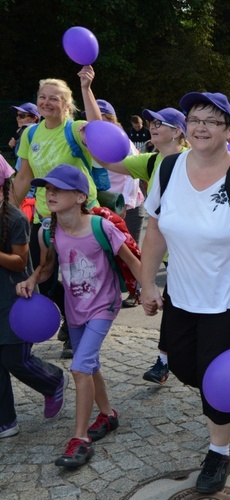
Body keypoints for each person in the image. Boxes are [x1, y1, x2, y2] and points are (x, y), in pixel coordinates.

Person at [139, 91, 230, 494]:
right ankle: (224, 399)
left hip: (229, 302)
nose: (201, 127)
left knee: (218, 382)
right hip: (181, 296)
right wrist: (147, 283)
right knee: (183, 366)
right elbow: (155, 230)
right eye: (194, 119)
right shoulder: (167, 169)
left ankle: (219, 450)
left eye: (212, 121)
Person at [16, 164, 141, 468]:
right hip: (75, 309)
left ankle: (80, 438)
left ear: (81, 196)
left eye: (58, 189)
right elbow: (47, 267)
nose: (51, 193)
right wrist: (32, 280)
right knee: (90, 364)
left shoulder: (101, 227)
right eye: (47, 188)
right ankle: (108, 415)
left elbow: (133, 260)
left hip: (103, 305)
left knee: (80, 367)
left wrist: (149, 291)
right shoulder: (49, 230)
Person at [92, 106, 188, 384]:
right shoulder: (149, 161)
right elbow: (106, 160)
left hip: (191, 246)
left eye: (160, 123)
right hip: (165, 244)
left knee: (178, 305)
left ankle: (172, 359)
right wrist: (94, 131)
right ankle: (164, 361)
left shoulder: (194, 160)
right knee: (173, 304)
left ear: (177, 131)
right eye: (150, 122)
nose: (152, 126)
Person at [12, 67, 103, 360]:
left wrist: (87, 87)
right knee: (46, 279)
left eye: (54, 99)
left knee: (78, 277)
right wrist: (9, 212)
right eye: (42, 97)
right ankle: (68, 319)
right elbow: (24, 176)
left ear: (66, 105)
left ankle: (79, 332)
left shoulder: (74, 129)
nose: (47, 102)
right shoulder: (30, 133)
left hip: (79, 215)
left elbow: (100, 134)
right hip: (45, 217)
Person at [0, 162, 67, 440]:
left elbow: (19, 262)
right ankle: (6, 420)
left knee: (14, 359)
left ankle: (52, 381)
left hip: (15, 299)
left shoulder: (14, 217)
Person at [95, 99, 144, 307]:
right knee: (105, 254)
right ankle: (107, 293)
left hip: (127, 206)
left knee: (129, 250)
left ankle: (138, 292)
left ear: (111, 118)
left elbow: (133, 174)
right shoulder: (91, 139)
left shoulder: (121, 139)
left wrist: (124, 204)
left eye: (102, 116)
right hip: (103, 206)